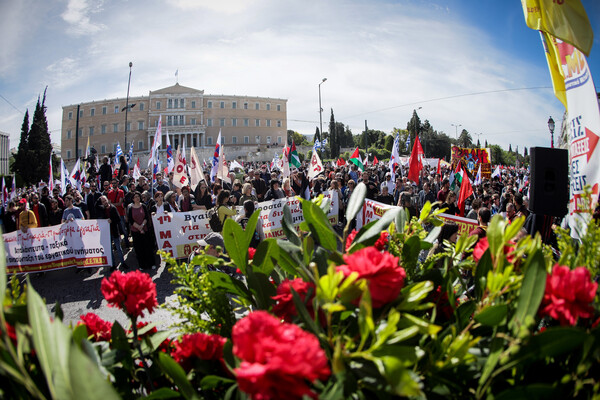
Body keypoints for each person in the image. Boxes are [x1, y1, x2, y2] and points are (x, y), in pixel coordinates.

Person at [127, 191, 155, 270]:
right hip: (135, 231)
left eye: (138, 196)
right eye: (135, 197)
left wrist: (142, 226)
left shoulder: (143, 206)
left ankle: (151, 263)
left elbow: (146, 217)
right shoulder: (130, 208)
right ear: (133, 199)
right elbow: (131, 220)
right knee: (139, 248)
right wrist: (139, 228)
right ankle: (142, 265)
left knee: (148, 247)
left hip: (145, 230)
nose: (137, 198)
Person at [98, 195, 125, 270]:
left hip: (115, 232)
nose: (104, 202)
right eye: (103, 201)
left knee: (119, 248)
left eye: (105, 200)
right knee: (110, 250)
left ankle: (123, 263)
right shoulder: (102, 210)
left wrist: (112, 220)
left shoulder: (113, 208)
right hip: (107, 234)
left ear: (108, 200)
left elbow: (118, 219)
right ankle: (113, 265)